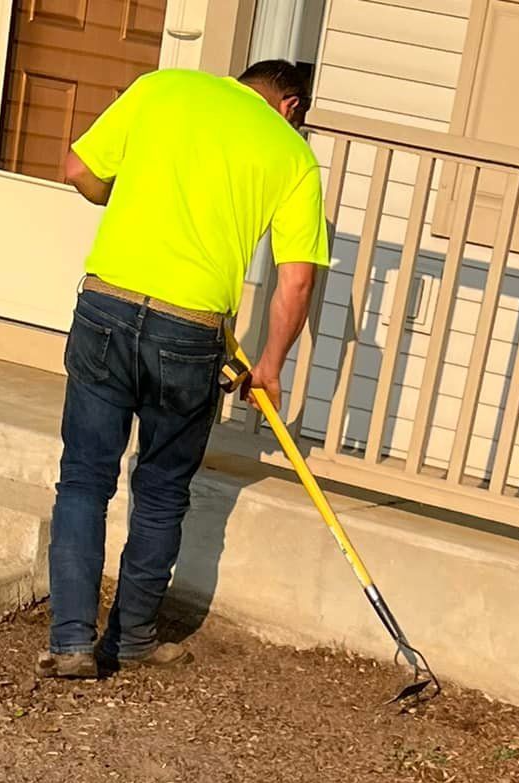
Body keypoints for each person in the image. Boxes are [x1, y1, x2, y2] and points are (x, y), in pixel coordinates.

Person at [37, 60, 330, 682]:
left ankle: (70, 643)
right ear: (291, 106)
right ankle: (133, 636)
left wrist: (128, 197)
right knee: (162, 489)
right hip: (189, 329)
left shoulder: (160, 87)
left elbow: (79, 172)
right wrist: (270, 365)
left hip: (107, 305)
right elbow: (296, 280)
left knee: (84, 480)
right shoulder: (293, 154)